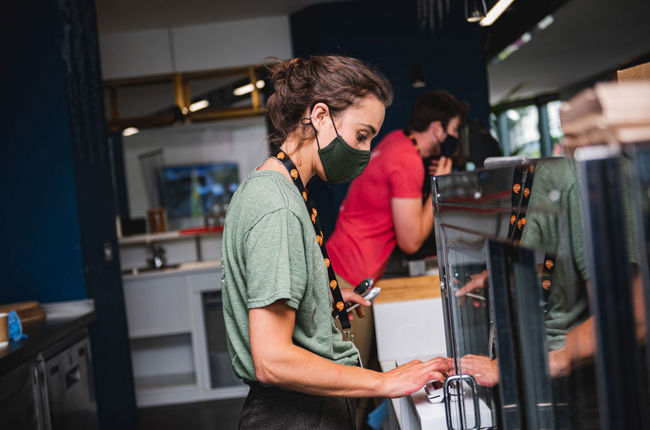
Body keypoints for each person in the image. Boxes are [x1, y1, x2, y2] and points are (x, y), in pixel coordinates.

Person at [221, 56, 449, 429]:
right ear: (321, 116)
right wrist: (386, 381)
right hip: (296, 414)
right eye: (362, 135)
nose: (364, 151)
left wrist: (325, 297)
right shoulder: (276, 205)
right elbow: (272, 359)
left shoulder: (281, 189)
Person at [325, 90, 466, 370]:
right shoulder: (407, 160)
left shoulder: (395, 142)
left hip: (341, 269)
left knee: (362, 376)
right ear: (437, 129)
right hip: (348, 280)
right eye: (454, 130)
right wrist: (439, 186)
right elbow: (411, 241)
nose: (456, 138)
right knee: (353, 380)